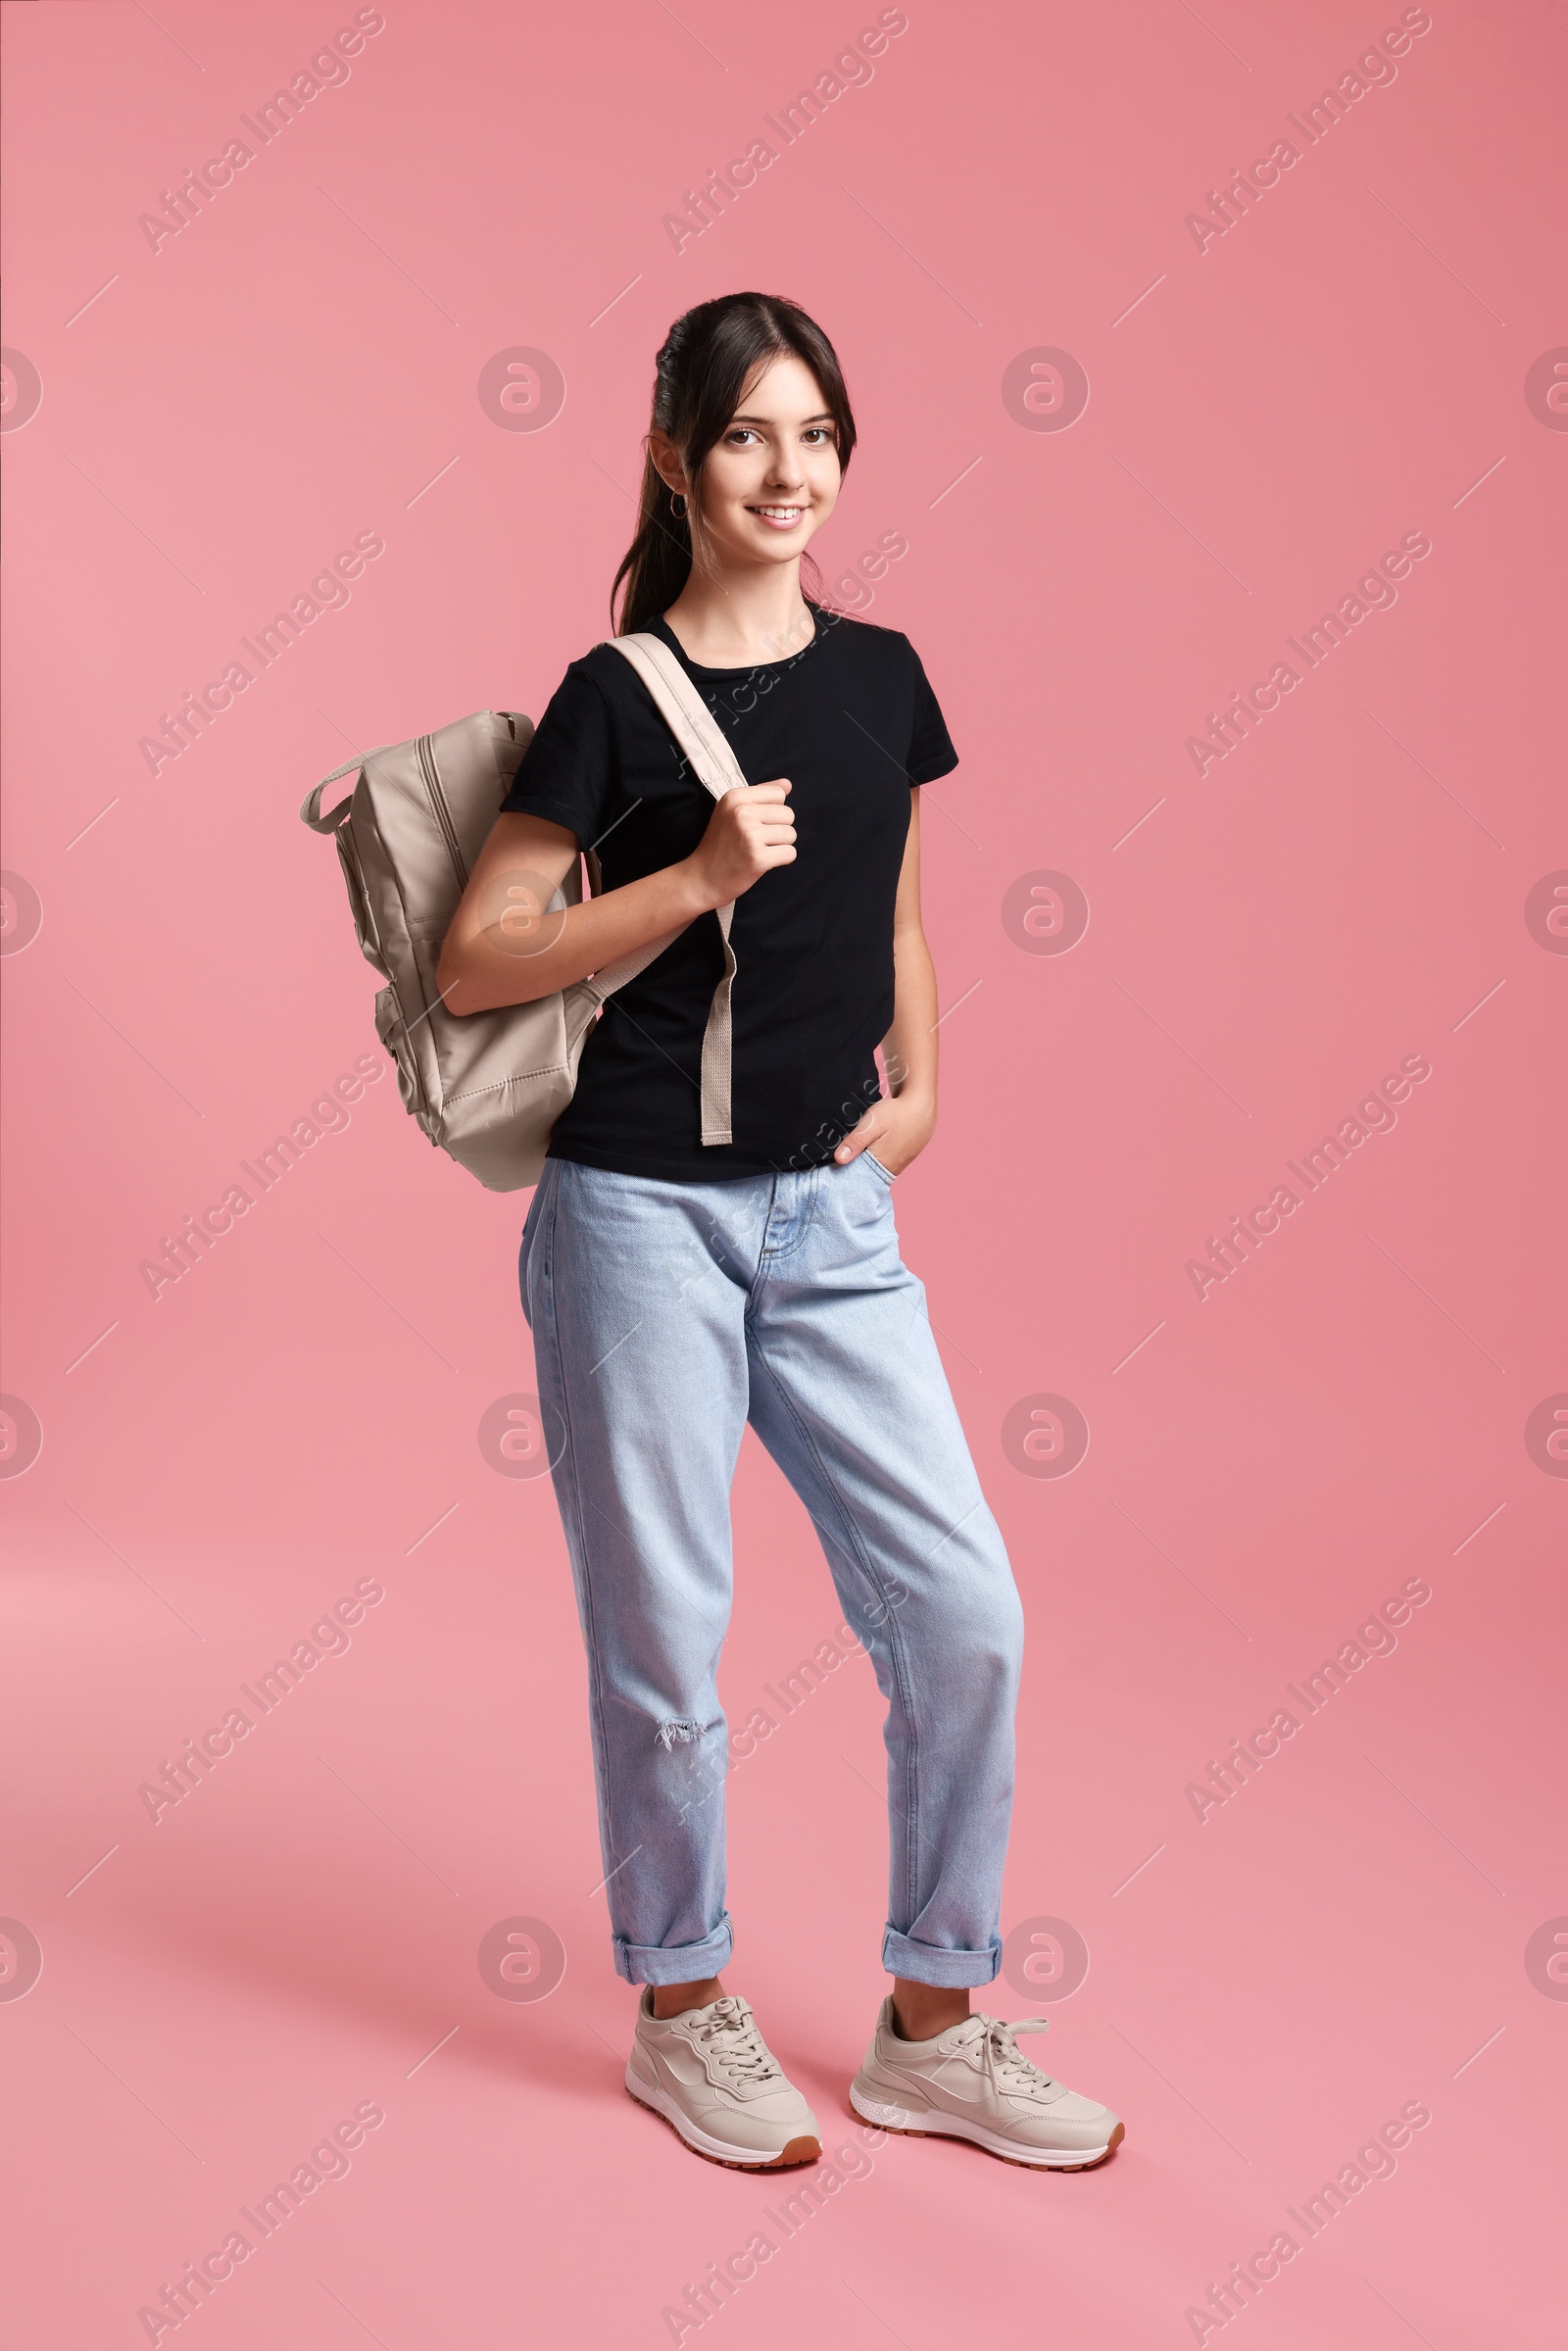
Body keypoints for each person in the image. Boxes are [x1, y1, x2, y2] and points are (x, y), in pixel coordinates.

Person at [437, 292, 1122, 2174]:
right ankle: (682, 2005)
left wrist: (926, 1075)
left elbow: (897, 903)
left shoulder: (886, 670)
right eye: (747, 436)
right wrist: (692, 875)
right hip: (637, 1215)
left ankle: (931, 2022)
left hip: (832, 1211)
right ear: (675, 457)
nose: (788, 473)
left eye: (815, 434)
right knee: (668, 1639)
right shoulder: (611, 691)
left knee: (966, 1611)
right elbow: (481, 949)